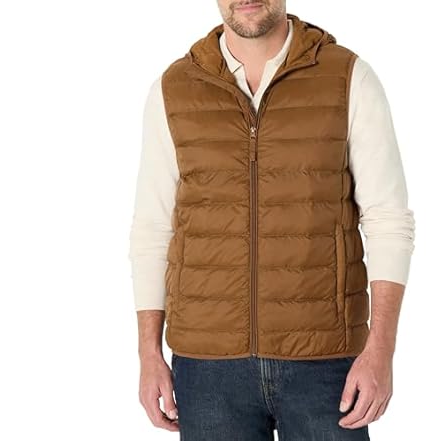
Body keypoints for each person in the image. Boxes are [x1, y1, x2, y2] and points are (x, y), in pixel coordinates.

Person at [128, 2, 415, 439]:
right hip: (208, 368)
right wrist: (148, 354)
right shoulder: (174, 89)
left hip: (325, 362)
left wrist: (382, 349)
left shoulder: (348, 78)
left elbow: (388, 220)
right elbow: (153, 228)